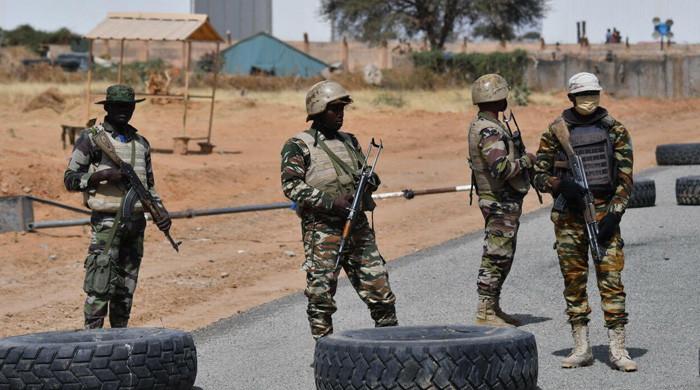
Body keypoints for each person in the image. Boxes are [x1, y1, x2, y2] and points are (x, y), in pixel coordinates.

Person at [533, 72, 637, 371]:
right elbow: (537, 174)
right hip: (569, 217)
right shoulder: (556, 131)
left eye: (593, 94)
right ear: (571, 98)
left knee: (611, 280)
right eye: (582, 95)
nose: (588, 100)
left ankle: (618, 348)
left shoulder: (615, 130)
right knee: (574, 282)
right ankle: (581, 346)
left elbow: (626, 178)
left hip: (604, 211)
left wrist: (615, 214)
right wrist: (559, 185)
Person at [280, 80, 398, 340]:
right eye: (335, 109)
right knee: (321, 296)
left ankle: (390, 345)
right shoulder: (298, 145)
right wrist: (330, 202)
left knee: (380, 290)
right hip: (322, 230)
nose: (341, 115)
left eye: (343, 109)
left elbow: (365, 172)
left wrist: (370, 180)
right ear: (319, 111)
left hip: (357, 225)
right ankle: (325, 352)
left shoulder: (350, 141)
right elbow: (291, 186)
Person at [64, 84, 171, 329]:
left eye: (128, 106)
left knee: (125, 288)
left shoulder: (141, 143)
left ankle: (119, 338)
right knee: (100, 282)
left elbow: (148, 186)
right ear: (108, 107)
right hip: (106, 222)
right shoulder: (92, 139)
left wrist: (161, 213)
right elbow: (70, 179)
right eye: (118, 106)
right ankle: (93, 339)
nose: (124, 111)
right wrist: (101, 176)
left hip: (135, 224)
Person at [467, 74, 536, 327]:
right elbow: (502, 169)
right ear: (497, 98)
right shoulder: (489, 130)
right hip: (498, 201)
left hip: (501, 201)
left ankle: (493, 307)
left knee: (503, 254)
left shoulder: (489, 125)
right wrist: (527, 160)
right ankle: (485, 311)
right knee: (496, 255)